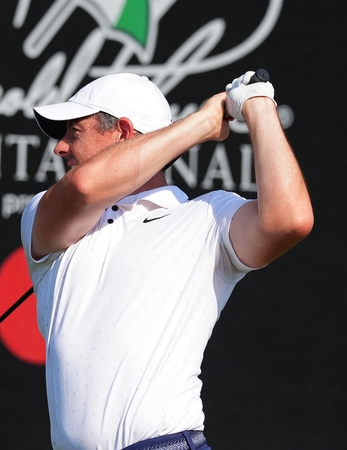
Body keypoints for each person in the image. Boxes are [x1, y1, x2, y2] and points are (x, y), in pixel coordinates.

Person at [21, 72, 313, 450]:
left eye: (73, 132)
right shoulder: (44, 216)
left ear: (123, 131)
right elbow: (85, 186)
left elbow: (289, 220)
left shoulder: (207, 216)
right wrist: (204, 122)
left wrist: (258, 106)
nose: (60, 148)